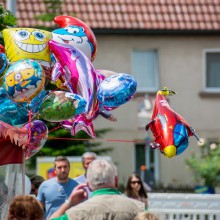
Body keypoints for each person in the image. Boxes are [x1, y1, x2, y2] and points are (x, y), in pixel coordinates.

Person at [49, 159, 145, 220]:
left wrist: (69, 202)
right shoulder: (139, 208)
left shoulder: (76, 213)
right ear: (116, 180)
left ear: (88, 184)